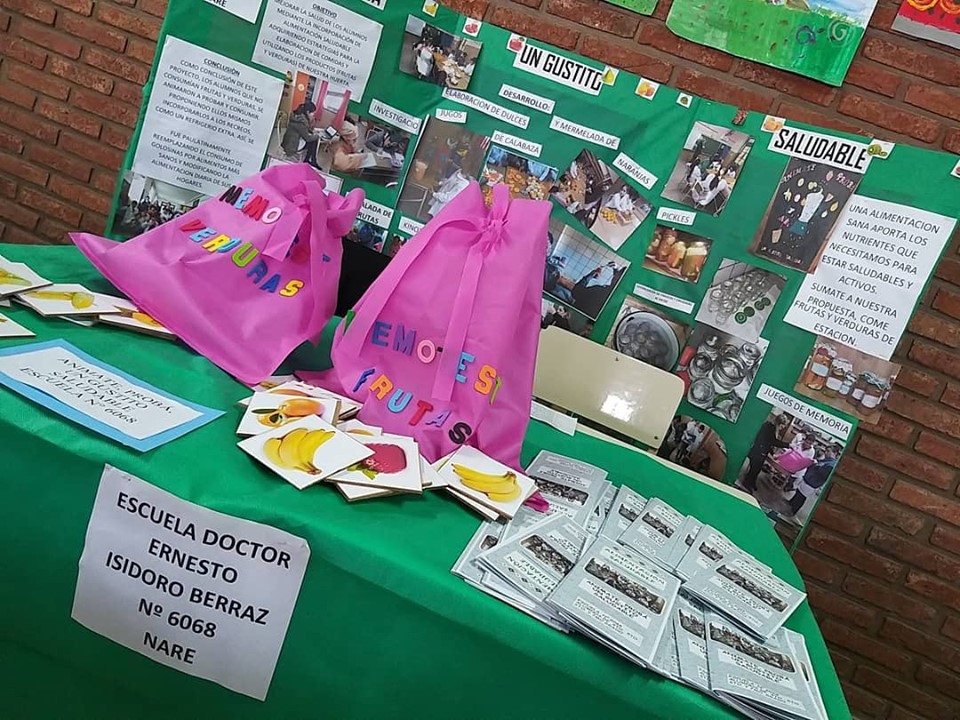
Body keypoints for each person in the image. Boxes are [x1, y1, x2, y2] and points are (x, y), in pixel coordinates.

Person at [740, 414, 789, 493]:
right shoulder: (770, 428)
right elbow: (773, 441)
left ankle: (752, 482)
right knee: (754, 469)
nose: (783, 427)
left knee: (757, 469)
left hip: (761, 451)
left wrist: (772, 453)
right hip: (758, 451)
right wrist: (787, 445)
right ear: (779, 423)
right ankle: (747, 483)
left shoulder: (769, 426)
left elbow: (768, 442)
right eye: (783, 425)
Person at [787, 447, 837, 516]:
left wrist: (816, 465)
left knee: (801, 497)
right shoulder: (825, 460)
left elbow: (823, 474)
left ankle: (792, 511)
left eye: (828, 451)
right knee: (798, 493)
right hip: (807, 479)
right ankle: (790, 504)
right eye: (825, 451)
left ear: (835, 453)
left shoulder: (831, 465)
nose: (826, 453)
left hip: (812, 483)